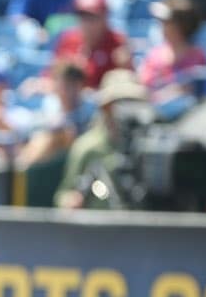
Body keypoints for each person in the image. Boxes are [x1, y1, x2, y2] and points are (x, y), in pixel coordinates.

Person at [55, 69, 152, 210]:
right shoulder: (87, 148)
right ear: (106, 108)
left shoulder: (152, 147)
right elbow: (63, 194)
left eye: (132, 102)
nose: (126, 110)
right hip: (98, 228)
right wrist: (71, 201)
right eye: (118, 103)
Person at [17, 63, 97, 168]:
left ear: (79, 86)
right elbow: (32, 130)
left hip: (78, 155)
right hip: (49, 157)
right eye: (63, 85)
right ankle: (21, 171)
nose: (65, 91)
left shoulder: (91, 107)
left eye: (71, 85)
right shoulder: (51, 103)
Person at [51, 0, 131, 89]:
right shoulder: (68, 41)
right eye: (82, 16)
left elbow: (127, 86)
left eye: (91, 17)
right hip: (72, 101)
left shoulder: (117, 43)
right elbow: (51, 79)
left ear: (104, 17)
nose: (86, 23)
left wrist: (125, 67)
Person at [139, 0, 206, 105]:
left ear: (181, 25)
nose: (161, 26)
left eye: (166, 22)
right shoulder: (154, 55)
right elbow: (144, 88)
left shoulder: (198, 57)